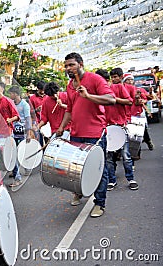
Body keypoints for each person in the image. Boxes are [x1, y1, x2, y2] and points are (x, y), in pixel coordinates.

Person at [56, 53, 116, 218]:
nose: (68, 68)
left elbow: (111, 99)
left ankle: (99, 203)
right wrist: (61, 127)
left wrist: (89, 96)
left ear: (81, 64)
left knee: (98, 169)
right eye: (66, 65)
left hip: (95, 133)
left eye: (71, 65)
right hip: (76, 133)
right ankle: (79, 192)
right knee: (75, 169)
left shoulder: (95, 79)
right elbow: (69, 109)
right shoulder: (69, 85)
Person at [101, 68, 138, 191]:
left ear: (121, 77)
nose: (113, 79)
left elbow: (129, 101)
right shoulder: (99, 91)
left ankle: (131, 179)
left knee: (126, 156)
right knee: (109, 157)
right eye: (112, 77)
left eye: (116, 77)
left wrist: (115, 100)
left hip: (120, 126)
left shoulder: (119, 87)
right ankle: (112, 180)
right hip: (107, 128)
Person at [7, 85, 35, 187]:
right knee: (13, 154)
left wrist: (28, 134)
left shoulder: (25, 105)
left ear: (15, 94)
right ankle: (16, 173)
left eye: (11, 94)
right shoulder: (11, 104)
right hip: (13, 132)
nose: (10, 95)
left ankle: (22, 171)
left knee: (22, 152)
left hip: (22, 132)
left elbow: (28, 120)